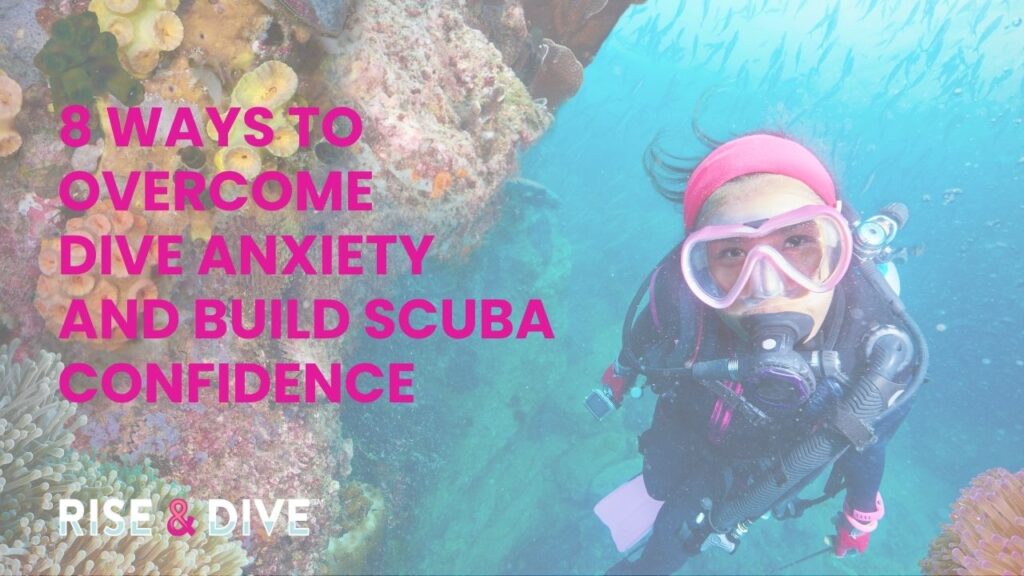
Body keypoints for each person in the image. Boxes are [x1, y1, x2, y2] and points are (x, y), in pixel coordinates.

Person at [589, 133, 928, 575]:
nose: (767, 286)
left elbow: (867, 444)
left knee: (666, 552)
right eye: (732, 252)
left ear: (836, 247)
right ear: (699, 266)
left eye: (795, 244)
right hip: (685, 424)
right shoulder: (680, 295)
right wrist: (619, 373)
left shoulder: (876, 347)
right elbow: (643, 334)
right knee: (658, 477)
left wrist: (861, 513)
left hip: (752, 470)